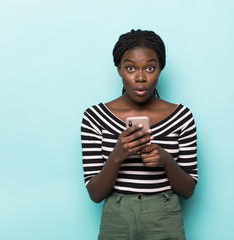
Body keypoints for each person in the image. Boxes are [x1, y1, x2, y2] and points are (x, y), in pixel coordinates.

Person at [81, 29, 198, 240]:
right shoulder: (94, 117)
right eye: (130, 68)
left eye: (150, 67)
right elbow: (95, 194)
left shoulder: (182, 116)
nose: (141, 77)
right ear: (119, 69)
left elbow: (188, 190)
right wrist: (117, 156)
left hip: (164, 216)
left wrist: (166, 161)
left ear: (161, 69)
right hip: (117, 217)